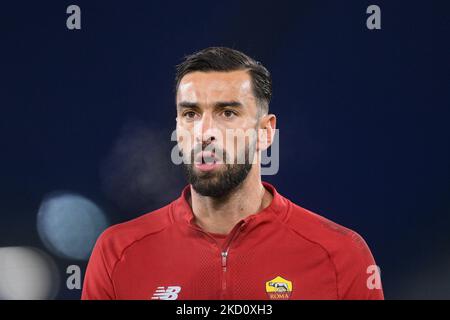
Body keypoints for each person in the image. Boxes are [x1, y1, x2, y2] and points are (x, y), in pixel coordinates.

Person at [82, 47, 384, 300]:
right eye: (191, 114)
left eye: (227, 113)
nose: (205, 132)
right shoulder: (118, 252)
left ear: (266, 132)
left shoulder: (341, 255)